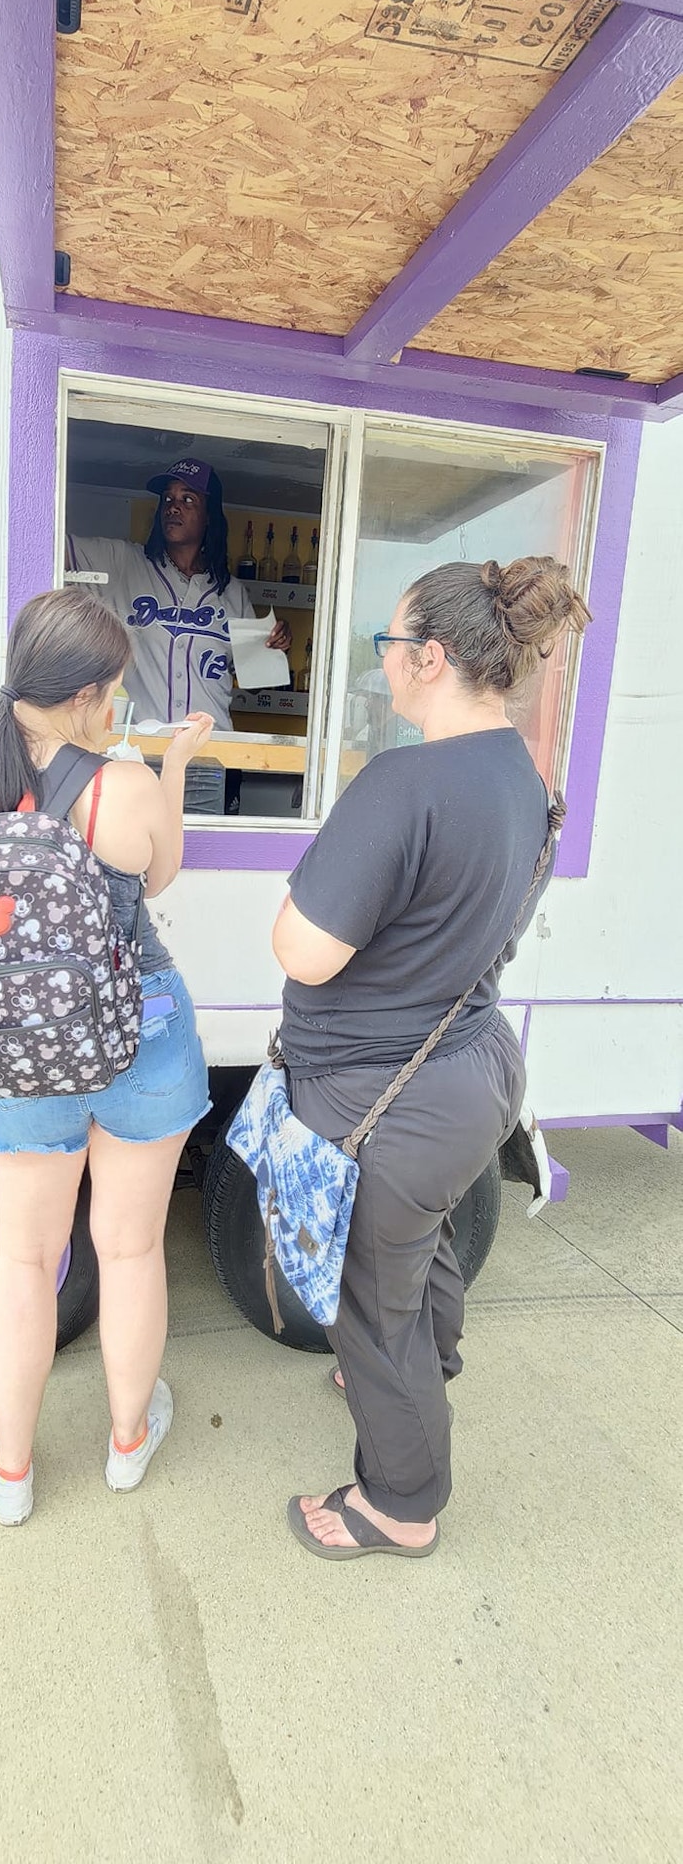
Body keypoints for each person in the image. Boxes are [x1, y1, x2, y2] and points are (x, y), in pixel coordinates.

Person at [272, 556, 592, 1559]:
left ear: (430, 656)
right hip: (471, 1069)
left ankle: (399, 1502)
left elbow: (302, 947)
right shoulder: (520, 777)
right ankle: (436, 1352)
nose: (383, 665)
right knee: (423, 1241)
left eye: (388, 645)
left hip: (383, 1095)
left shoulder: (402, 782)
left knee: (374, 1299)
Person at [0, 587, 214, 1526]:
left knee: (25, 1262)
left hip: (13, 1050)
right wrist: (173, 767)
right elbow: (160, 875)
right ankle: (126, 1441)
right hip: (139, 1035)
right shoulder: (119, 788)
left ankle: (10, 1469)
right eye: (114, 691)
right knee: (127, 1248)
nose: (116, 707)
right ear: (87, 696)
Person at [66, 458, 291, 813]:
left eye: (188, 499)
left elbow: (257, 681)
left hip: (212, 754)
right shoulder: (124, 562)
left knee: (199, 860)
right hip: (137, 751)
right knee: (134, 855)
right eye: (167, 499)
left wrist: (275, 648)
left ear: (209, 517)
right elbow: (48, 541)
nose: (173, 507)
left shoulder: (233, 594)